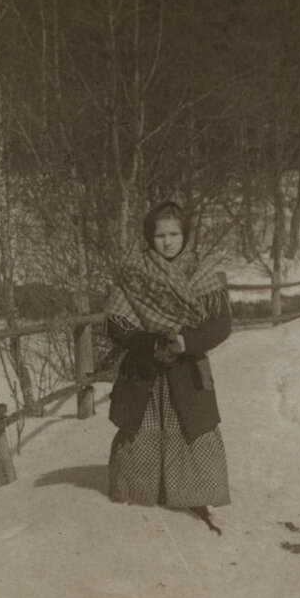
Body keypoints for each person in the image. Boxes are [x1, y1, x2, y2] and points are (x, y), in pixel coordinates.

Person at [105, 201, 231, 533]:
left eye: (175, 234)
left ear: (185, 235)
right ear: (149, 237)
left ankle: (194, 492)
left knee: (191, 427)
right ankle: (138, 488)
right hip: (144, 368)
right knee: (140, 427)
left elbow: (221, 325)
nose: (168, 241)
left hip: (187, 369)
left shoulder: (201, 273)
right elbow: (117, 325)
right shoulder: (133, 275)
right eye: (160, 235)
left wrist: (186, 342)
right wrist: (152, 343)